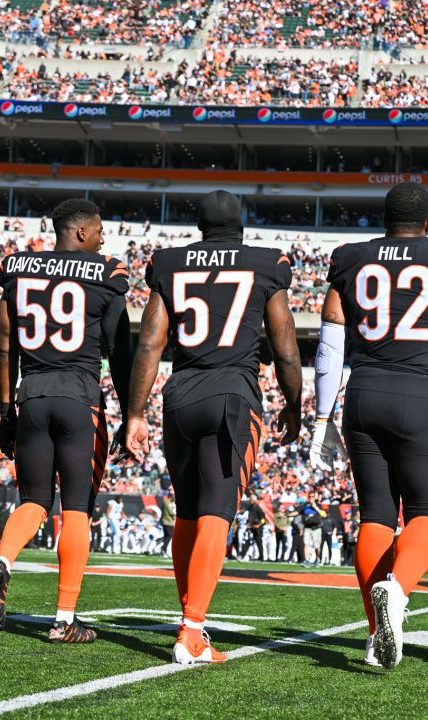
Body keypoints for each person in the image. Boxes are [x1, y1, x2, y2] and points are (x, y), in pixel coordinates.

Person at [311, 182, 428, 669]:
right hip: (421, 395)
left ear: (384, 219)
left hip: (363, 394)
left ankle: (375, 635)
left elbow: (329, 343)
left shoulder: (351, 257)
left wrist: (321, 417)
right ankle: (398, 589)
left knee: (375, 517)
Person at [125, 190, 303, 665]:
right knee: (216, 512)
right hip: (232, 396)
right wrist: (294, 404)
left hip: (180, 394)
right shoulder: (265, 262)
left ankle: (192, 624)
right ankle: (192, 630)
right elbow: (284, 345)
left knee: (187, 514)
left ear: (200, 225)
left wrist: (136, 413)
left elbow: (149, 345)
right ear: (240, 225)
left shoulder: (169, 262)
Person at [0, 199, 134, 644]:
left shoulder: (19, 268)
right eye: (100, 229)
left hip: (31, 395)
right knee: (77, 509)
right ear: (81, 232)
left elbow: (6, 345)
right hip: (80, 397)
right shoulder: (107, 272)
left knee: (33, 500)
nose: (104, 237)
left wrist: (6, 409)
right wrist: (129, 412)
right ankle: (65, 618)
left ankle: (3, 560)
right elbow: (119, 350)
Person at [159, 489, 177, 557]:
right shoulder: (167, 502)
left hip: (167, 521)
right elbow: (170, 512)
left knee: (167, 536)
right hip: (167, 521)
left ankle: (164, 550)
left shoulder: (167, 502)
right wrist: (175, 514)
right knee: (169, 535)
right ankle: (163, 549)